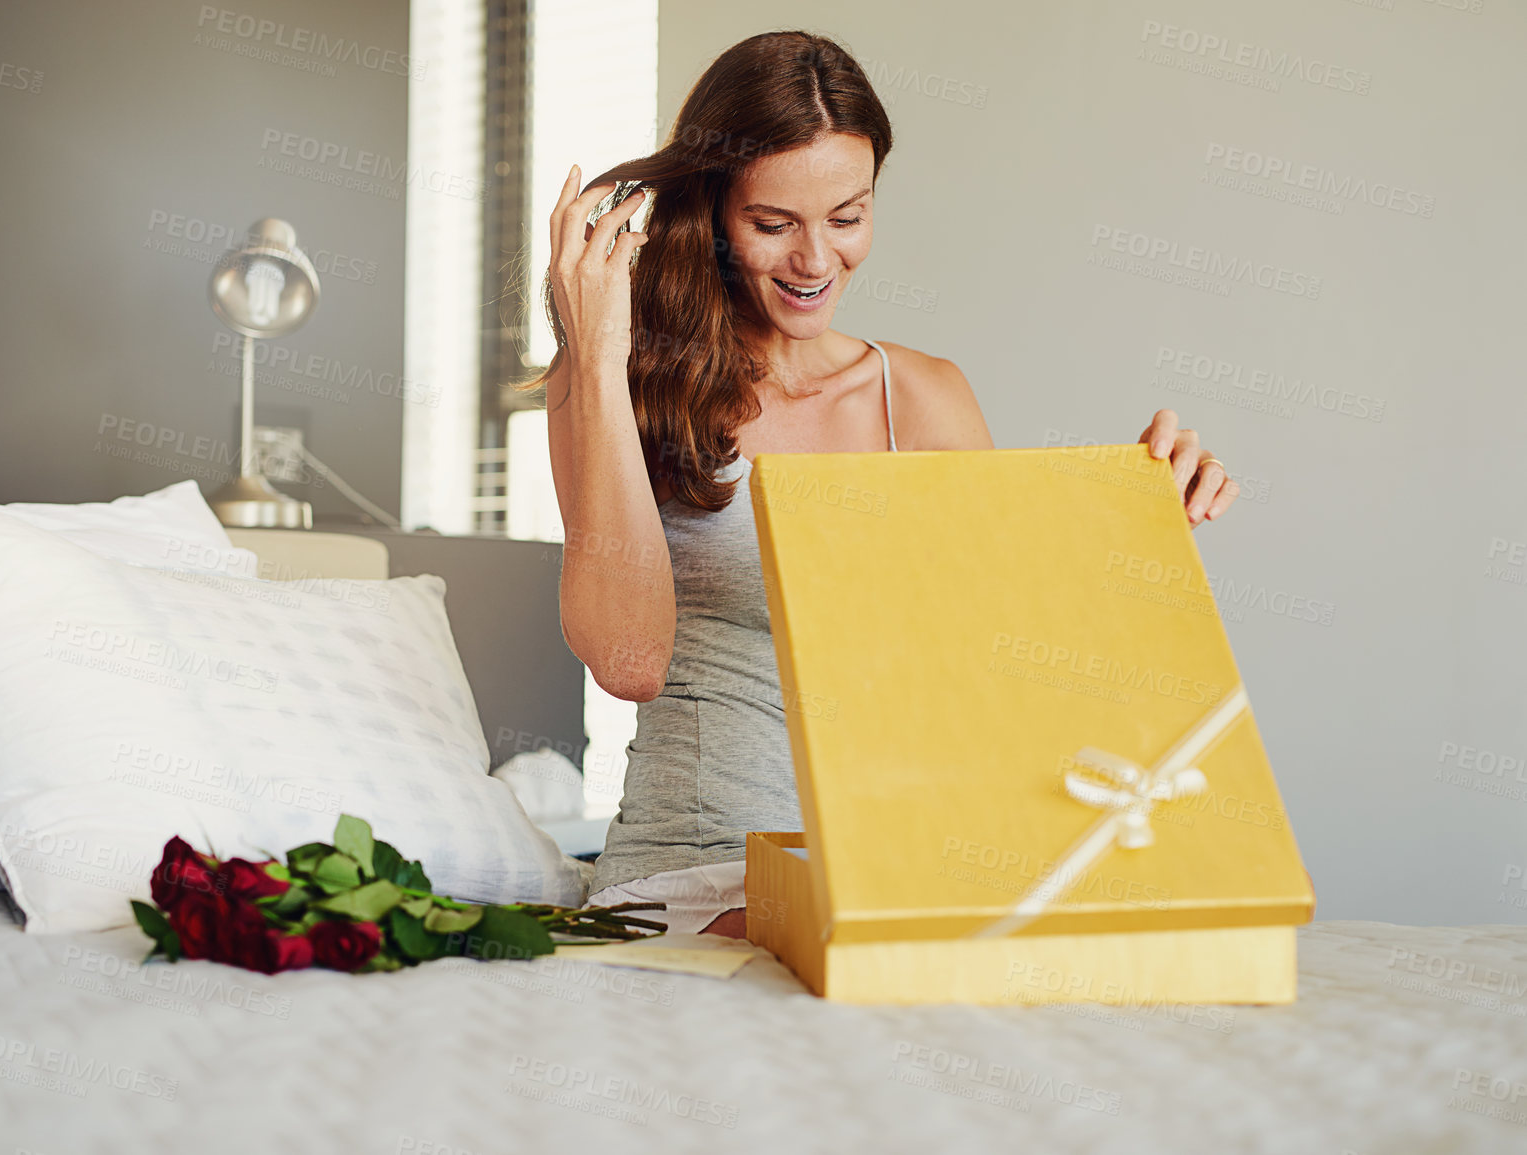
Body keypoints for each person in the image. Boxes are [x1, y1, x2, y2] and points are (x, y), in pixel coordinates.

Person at [524, 30, 1239, 939]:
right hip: (699, 874)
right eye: (773, 224)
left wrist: (1137, 526)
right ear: (711, 214)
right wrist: (598, 352)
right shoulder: (616, 384)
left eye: (847, 217)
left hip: (890, 872)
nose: (814, 261)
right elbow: (628, 660)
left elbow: (1009, 668)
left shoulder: (924, 397)